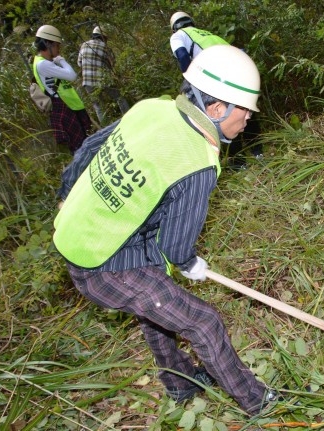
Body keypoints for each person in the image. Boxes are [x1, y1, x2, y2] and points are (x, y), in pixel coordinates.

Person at [53, 44, 276, 415]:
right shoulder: (198, 161)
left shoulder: (150, 109)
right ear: (217, 109)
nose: (249, 119)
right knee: (203, 322)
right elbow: (175, 248)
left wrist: (65, 194)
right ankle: (258, 403)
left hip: (78, 232)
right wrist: (191, 263)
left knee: (157, 299)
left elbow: (88, 147)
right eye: (246, 111)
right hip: (99, 262)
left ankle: (179, 384)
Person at [170, 11, 263, 169]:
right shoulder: (207, 34)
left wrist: (193, 80)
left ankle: (239, 163)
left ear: (174, 27)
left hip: (220, 77)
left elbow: (182, 56)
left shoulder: (178, 35)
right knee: (244, 112)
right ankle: (258, 152)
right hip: (240, 73)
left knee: (224, 118)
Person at [33, 25, 92, 154]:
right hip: (63, 106)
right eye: (56, 46)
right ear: (47, 44)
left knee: (84, 142)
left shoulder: (43, 62)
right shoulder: (43, 64)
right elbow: (72, 75)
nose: (58, 50)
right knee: (80, 146)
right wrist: (62, 60)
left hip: (69, 104)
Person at [78, 26, 130, 125]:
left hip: (87, 82)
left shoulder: (84, 45)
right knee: (119, 97)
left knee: (98, 107)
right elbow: (112, 63)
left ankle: (106, 129)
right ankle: (128, 117)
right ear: (104, 37)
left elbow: (79, 63)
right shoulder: (105, 47)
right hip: (103, 79)